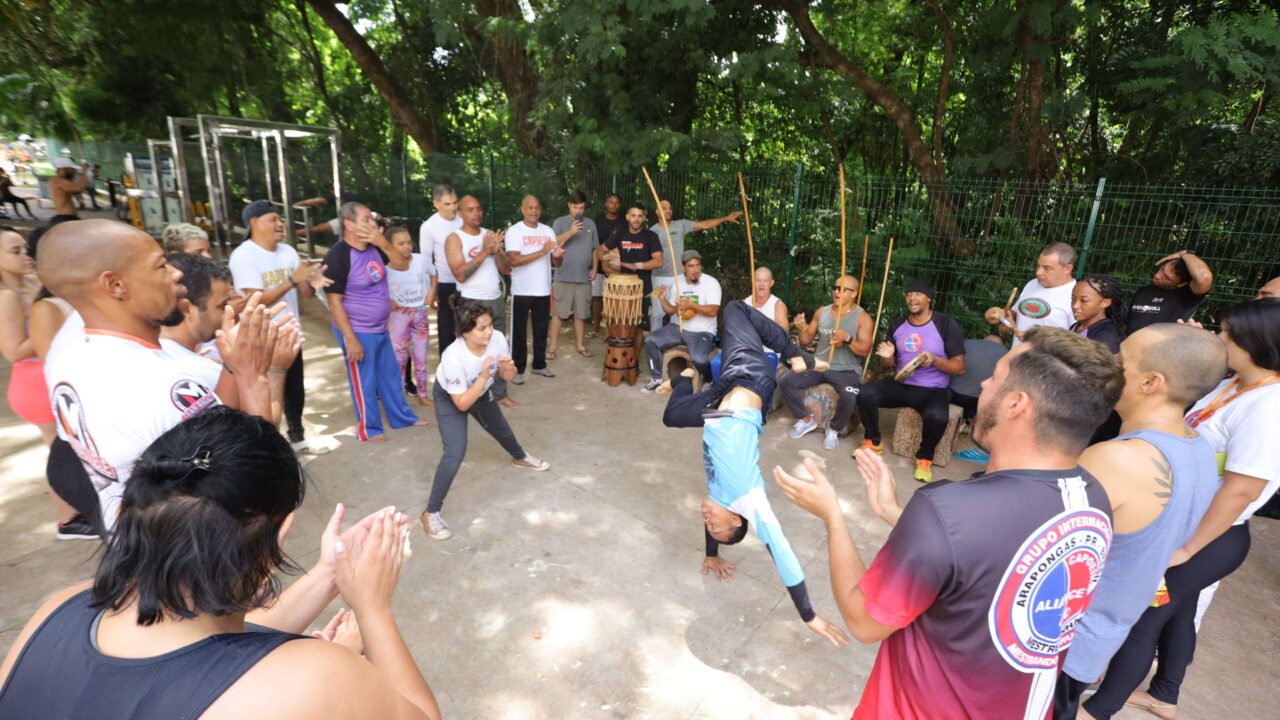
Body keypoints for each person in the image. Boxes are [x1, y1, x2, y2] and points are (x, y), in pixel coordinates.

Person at [0, 406, 443, 719]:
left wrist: (331, 571)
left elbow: (206, 649)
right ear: (281, 534)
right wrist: (372, 609)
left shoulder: (58, 609)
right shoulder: (311, 681)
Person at [775, 326, 1123, 720]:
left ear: (1016, 404)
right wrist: (894, 513)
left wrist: (832, 515)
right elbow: (978, 567)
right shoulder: (1094, 500)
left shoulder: (948, 511)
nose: (984, 383)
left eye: (996, 376)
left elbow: (863, 621)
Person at [1083, 299, 1280, 720]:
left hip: (1213, 534)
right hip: (1195, 523)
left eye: (1226, 335)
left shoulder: (1269, 407)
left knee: (1145, 618)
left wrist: (1188, 549)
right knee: (1180, 611)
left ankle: (1098, 709)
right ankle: (1166, 694)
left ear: (1256, 343)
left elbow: (1242, 491)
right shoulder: (1238, 384)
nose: (1219, 339)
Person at [38, 219, 284, 530]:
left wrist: (233, 364)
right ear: (115, 285)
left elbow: (219, 415)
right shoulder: (157, 383)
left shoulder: (68, 360)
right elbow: (251, 469)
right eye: (160, 267)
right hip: (197, 554)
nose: (176, 273)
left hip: (137, 543)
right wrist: (254, 372)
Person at [1053, 324, 1226, 719]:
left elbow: (1026, 542)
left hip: (1056, 642)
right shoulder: (1197, 446)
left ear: (1150, 381)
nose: (1111, 364)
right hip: (1099, 638)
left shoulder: (1118, 460)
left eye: (1121, 359)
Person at [659, 299, 849, 647]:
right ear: (737, 520)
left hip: (717, 399)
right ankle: (797, 354)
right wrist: (808, 614)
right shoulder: (749, 497)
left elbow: (714, 514)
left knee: (671, 416)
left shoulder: (718, 497)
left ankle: (684, 376)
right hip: (750, 377)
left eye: (709, 526)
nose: (707, 519)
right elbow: (783, 551)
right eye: (715, 526)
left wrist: (713, 553)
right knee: (734, 308)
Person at [422, 298, 549, 541]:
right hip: (452, 398)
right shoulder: (453, 356)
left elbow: (508, 376)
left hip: (480, 391)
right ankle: (431, 512)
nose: (489, 331)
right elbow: (461, 403)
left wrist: (508, 367)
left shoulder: (498, 339)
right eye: (481, 328)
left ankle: (520, 457)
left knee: (500, 428)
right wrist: (481, 377)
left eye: (489, 325)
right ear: (464, 331)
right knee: (455, 452)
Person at [1, 227, 92, 538]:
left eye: (24, 249)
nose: (25, 256)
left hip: (44, 375)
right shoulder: (8, 296)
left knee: (68, 448)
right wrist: (47, 327)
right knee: (61, 451)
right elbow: (13, 350)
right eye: (15, 252)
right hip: (35, 381)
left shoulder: (27, 286)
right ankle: (68, 520)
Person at [322, 203, 426, 443]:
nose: (372, 223)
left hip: (380, 327)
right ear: (348, 224)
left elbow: (401, 264)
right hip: (356, 330)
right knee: (364, 381)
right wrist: (350, 339)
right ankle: (369, 429)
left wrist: (382, 242)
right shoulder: (338, 256)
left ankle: (402, 418)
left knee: (390, 375)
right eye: (366, 219)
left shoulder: (374, 248)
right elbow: (334, 303)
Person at [228, 200, 323, 453]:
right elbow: (255, 298)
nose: (280, 224)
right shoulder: (244, 255)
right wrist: (292, 279)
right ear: (255, 223)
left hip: (291, 333)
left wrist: (314, 281)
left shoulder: (288, 252)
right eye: (273, 219)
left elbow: (305, 294)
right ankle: (271, 444)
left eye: (280, 219)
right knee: (269, 393)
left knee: (295, 390)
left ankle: (298, 437)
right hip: (263, 338)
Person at [856, 279, 967, 482]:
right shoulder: (898, 324)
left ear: (929, 299)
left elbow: (959, 367)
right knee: (865, 393)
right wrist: (887, 356)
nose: (912, 298)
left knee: (937, 417)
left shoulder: (945, 324)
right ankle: (873, 441)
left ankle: (924, 457)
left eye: (917, 294)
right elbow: (886, 366)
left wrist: (935, 361)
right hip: (901, 384)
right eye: (908, 294)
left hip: (933, 389)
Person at [780, 274, 871, 450]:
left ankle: (834, 429)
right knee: (786, 380)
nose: (837, 292)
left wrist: (848, 339)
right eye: (835, 287)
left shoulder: (862, 318)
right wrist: (801, 327)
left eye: (843, 289)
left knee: (849, 395)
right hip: (819, 365)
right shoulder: (823, 311)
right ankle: (806, 420)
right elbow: (806, 340)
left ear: (854, 294)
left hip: (846, 371)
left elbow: (866, 351)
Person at [446, 195, 516, 409]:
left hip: (495, 299)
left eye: (479, 208)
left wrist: (498, 251)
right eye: (470, 209)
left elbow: (506, 269)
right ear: (460, 213)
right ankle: (469, 393)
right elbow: (459, 274)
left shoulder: (489, 235)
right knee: (472, 348)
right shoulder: (455, 238)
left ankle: (500, 393)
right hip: (470, 302)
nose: (476, 213)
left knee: (500, 346)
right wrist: (485, 251)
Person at [648, 200, 741, 331]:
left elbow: (704, 225)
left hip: (679, 276)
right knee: (657, 314)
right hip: (660, 277)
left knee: (678, 312)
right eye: (664, 208)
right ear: (657, 212)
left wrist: (726, 218)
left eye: (670, 208)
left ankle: (675, 337)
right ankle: (655, 339)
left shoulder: (680, 225)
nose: (668, 210)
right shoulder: (652, 232)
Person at [642, 250, 721, 392]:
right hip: (679, 327)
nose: (695, 270)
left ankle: (708, 381)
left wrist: (692, 305)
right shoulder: (678, 282)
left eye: (698, 265)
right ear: (683, 267)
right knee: (650, 341)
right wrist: (663, 300)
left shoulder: (711, 283)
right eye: (691, 266)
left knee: (698, 359)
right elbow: (671, 310)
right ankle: (657, 378)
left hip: (702, 331)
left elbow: (713, 311)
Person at [505, 194, 558, 382]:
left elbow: (556, 261)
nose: (534, 211)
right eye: (530, 208)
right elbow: (514, 260)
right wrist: (542, 251)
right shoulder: (514, 231)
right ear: (522, 209)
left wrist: (559, 255)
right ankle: (518, 369)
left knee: (541, 329)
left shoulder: (548, 231)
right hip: (522, 290)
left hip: (543, 288)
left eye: (537, 207)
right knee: (519, 331)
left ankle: (539, 365)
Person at [386, 226, 435, 407]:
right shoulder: (385, 268)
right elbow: (377, 291)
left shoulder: (421, 260)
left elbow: (434, 274)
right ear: (389, 246)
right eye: (401, 243)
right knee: (399, 359)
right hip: (398, 318)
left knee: (421, 356)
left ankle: (423, 394)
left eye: (408, 242)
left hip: (420, 314)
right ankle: (399, 400)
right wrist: (388, 301)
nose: (407, 246)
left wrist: (432, 292)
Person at [549, 191, 599, 359]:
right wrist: (571, 231)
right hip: (563, 276)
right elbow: (553, 242)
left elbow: (595, 249)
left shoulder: (591, 224)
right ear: (569, 205)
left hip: (583, 277)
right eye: (576, 207)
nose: (579, 211)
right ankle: (552, 348)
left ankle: (580, 345)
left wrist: (595, 268)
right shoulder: (560, 222)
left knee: (581, 314)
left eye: (582, 208)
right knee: (558, 314)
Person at [597, 203, 663, 325]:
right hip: (622, 286)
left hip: (643, 286)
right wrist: (606, 257)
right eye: (633, 215)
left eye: (639, 216)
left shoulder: (651, 236)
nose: (636, 219)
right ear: (627, 217)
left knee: (638, 325)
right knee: (620, 323)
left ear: (643, 218)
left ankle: (636, 345)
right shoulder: (620, 234)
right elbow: (600, 251)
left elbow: (659, 261)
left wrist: (636, 266)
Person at [1127, 249, 1214, 333]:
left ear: (1182, 284)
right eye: (1162, 269)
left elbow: (1204, 277)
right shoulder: (1144, 291)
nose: (1158, 276)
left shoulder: (1187, 297)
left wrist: (1184, 254)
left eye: (1167, 278)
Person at [1009, 242, 1077, 345]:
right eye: (1038, 266)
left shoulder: (1076, 295)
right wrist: (1005, 318)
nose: (1038, 272)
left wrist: (1038, 340)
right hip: (1016, 359)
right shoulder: (1032, 284)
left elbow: (1078, 342)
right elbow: (1016, 314)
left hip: (1047, 360)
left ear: (1067, 269)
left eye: (1046, 268)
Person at [420, 185, 461, 355]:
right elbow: (426, 260)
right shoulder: (429, 226)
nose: (453, 207)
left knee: (468, 327)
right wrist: (431, 289)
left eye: (455, 203)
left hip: (467, 281)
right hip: (444, 283)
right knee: (447, 329)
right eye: (447, 204)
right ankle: (447, 371)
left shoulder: (463, 219)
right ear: (436, 204)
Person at [593, 193, 625, 332]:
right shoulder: (598, 221)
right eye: (611, 202)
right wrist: (595, 267)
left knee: (614, 300)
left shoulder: (624, 222)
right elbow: (595, 246)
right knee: (597, 297)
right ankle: (595, 328)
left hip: (617, 267)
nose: (614, 205)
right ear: (606, 204)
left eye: (617, 202)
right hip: (599, 265)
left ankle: (611, 331)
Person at [1071, 274, 1126, 354]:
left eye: (1084, 301)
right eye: (1073, 299)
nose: (1075, 306)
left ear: (1105, 303)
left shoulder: (1106, 339)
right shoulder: (1077, 326)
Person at [744, 266, 788, 330]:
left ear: (771, 283)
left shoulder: (778, 306)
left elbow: (783, 337)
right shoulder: (744, 304)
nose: (761, 284)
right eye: (758, 280)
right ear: (752, 281)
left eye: (765, 281)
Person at [49, 158, 90, 223]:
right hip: (66, 218)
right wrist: (85, 171)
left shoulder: (59, 181)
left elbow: (77, 191)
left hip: (67, 217)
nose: (73, 171)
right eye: (71, 169)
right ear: (63, 169)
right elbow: (80, 188)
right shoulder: (59, 181)